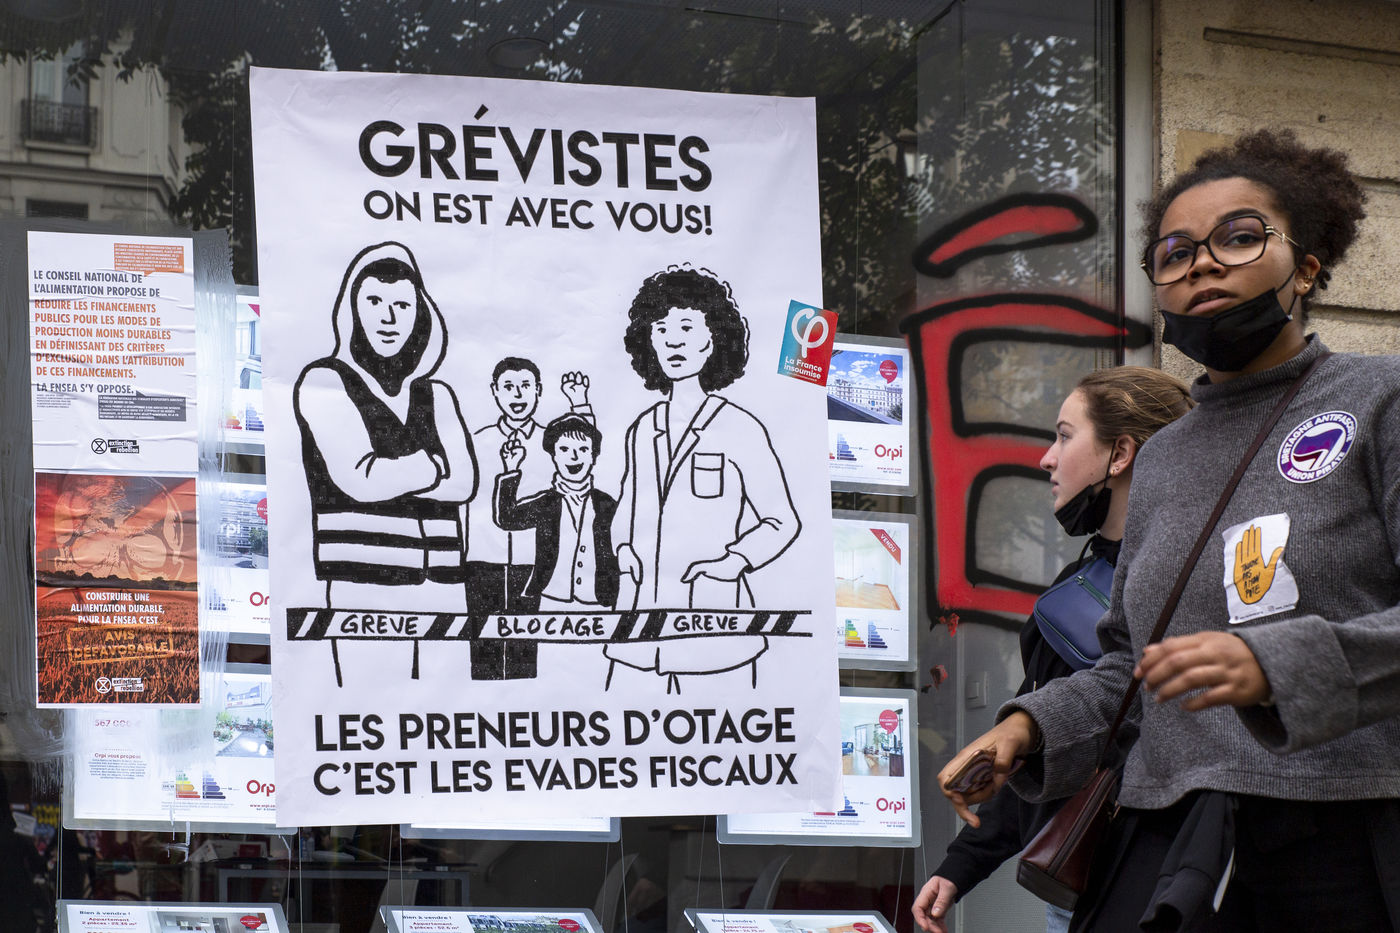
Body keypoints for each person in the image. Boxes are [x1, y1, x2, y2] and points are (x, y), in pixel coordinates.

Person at [935, 129, 1400, 931]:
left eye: (1239, 237)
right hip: (1168, 837)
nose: (1203, 264)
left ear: (1307, 267)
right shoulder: (1164, 455)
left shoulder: (1379, 399)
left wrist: (1276, 662)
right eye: (1176, 253)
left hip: (1342, 835)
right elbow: (1131, 665)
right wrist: (1025, 726)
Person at [913, 367, 1193, 933]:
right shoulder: (1077, 582)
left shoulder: (1193, 581)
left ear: (1121, 454)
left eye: (1065, 436)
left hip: (1159, 885)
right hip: (1080, 886)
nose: (1047, 458)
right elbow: (1043, 747)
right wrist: (961, 865)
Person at [607, 266, 800, 690]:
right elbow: (627, 509)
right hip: (638, 632)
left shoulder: (741, 428)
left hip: (715, 632)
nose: (673, 341)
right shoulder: (642, 429)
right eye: (661, 330)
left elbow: (782, 520)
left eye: (686, 327)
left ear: (713, 338)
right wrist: (622, 551)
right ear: (647, 341)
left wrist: (734, 563)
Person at [293, 241, 476, 611]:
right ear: (353, 309)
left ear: (419, 312)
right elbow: (362, 479)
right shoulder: (325, 382)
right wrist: (433, 467)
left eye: (402, 305)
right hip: (361, 585)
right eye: (374, 302)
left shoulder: (437, 394)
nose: (388, 318)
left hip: (444, 583)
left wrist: (394, 476)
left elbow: (465, 482)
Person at [466, 363, 592, 679]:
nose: (517, 395)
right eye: (508, 387)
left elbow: (588, 452)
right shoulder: (477, 441)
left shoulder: (553, 442)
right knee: (484, 646)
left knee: (524, 644)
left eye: (525, 386)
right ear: (495, 391)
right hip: (482, 557)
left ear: (538, 391)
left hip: (533, 560)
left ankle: (523, 692)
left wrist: (579, 404)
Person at [494, 412, 621, 611]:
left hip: (599, 600)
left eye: (583, 449)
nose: (574, 456)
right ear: (554, 455)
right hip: (551, 597)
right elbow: (506, 518)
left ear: (593, 456)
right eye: (564, 449)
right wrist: (511, 469)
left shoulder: (608, 505)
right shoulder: (546, 504)